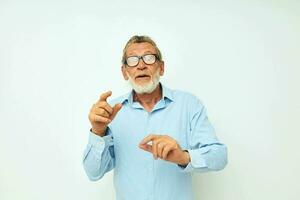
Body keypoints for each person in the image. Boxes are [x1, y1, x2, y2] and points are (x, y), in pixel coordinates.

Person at [82, 35, 227, 200]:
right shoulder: (110, 112)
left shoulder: (189, 105)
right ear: (124, 72)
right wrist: (98, 132)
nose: (141, 65)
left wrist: (183, 156)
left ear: (162, 67)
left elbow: (219, 156)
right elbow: (93, 173)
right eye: (133, 60)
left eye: (149, 58)